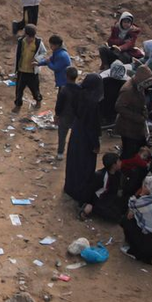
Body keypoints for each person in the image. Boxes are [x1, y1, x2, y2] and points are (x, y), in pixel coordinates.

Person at [62, 73, 102, 205]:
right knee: (85, 166)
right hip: (86, 138)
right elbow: (93, 127)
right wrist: (96, 144)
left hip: (77, 132)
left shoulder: (79, 94)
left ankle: (70, 188)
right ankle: (81, 193)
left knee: (74, 162)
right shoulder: (93, 103)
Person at [13, 25, 46, 111]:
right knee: (19, 90)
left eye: (32, 37)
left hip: (32, 71)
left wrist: (37, 59)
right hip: (22, 70)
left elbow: (43, 52)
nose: (30, 39)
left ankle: (38, 101)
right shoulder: (21, 42)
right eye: (29, 37)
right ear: (26, 35)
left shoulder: (38, 43)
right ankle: (18, 105)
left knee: (35, 88)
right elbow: (18, 55)